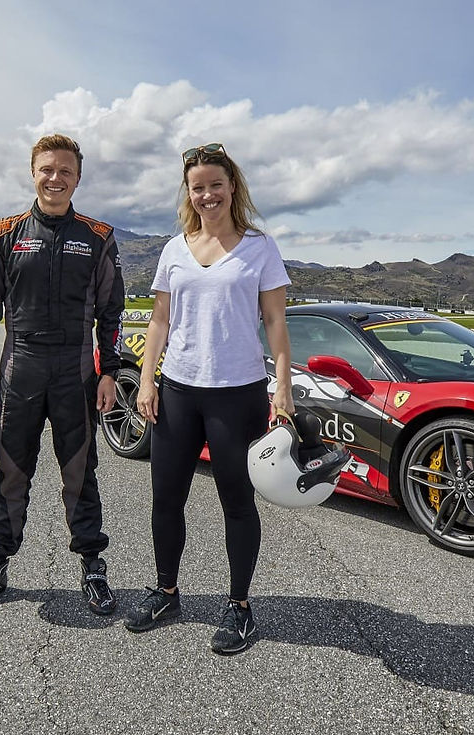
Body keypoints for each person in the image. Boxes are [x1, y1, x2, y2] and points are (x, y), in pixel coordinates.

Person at [124, 142, 293, 655]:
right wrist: (148, 380)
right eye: (197, 187)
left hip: (237, 393)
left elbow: (275, 322)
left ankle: (239, 606)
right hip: (178, 390)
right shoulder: (174, 249)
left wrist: (282, 387)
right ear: (189, 192)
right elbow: (159, 320)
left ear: (232, 186)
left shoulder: (259, 248)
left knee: (236, 502)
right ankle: (166, 592)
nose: (207, 194)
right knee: (165, 498)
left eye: (216, 184)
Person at [0, 133, 125, 616]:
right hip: (21, 370)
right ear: (33, 173)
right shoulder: (3, 233)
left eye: (65, 171)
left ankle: (92, 566)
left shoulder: (98, 236)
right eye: (47, 169)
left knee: (81, 472)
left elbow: (111, 313)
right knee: (12, 472)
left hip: (77, 372)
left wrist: (110, 372)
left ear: (78, 177)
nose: (56, 178)